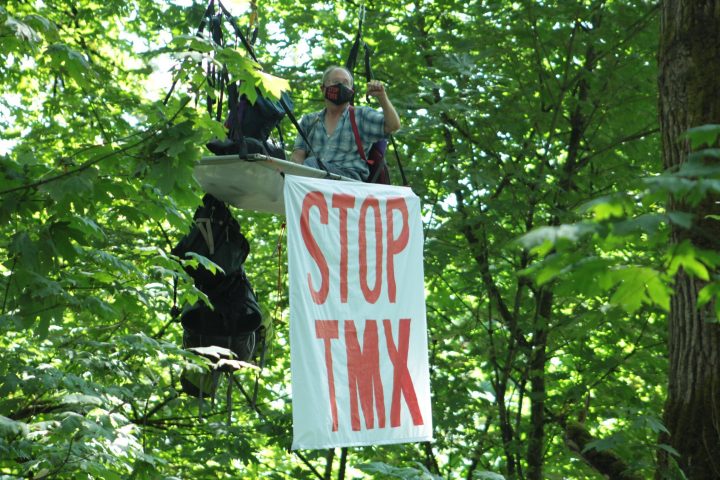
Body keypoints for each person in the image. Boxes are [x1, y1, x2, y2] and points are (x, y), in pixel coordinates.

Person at [291, 66, 401, 181]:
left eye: (345, 83)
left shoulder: (362, 116)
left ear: (351, 91)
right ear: (323, 88)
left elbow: (393, 126)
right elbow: (297, 157)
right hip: (313, 181)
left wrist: (382, 97)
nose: (340, 86)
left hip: (348, 182)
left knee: (311, 163)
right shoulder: (309, 121)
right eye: (335, 82)